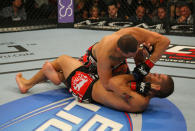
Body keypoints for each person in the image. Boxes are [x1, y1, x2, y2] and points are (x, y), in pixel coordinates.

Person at [16, 55, 174, 113]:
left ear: (157, 87)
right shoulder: (143, 93)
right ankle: (56, 77)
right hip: (91, 83)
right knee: (62, 70)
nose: (153, 73)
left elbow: (114, 82)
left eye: (157, 76)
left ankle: (27, 84)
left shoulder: (141, 102)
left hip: (87, 89)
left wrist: (134, 77)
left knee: (62, 60)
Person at [79, 27, 170, 93]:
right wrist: (136, 86)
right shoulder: (105, 55)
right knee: (106, 90)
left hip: (118, 63)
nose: (135, 55)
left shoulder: (134, 33)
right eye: (131, 55)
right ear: (120, 51)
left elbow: (165, 41)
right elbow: (107, 85)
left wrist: (148, 64)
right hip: (94, 64)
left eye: (138, 46)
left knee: (131, 82)